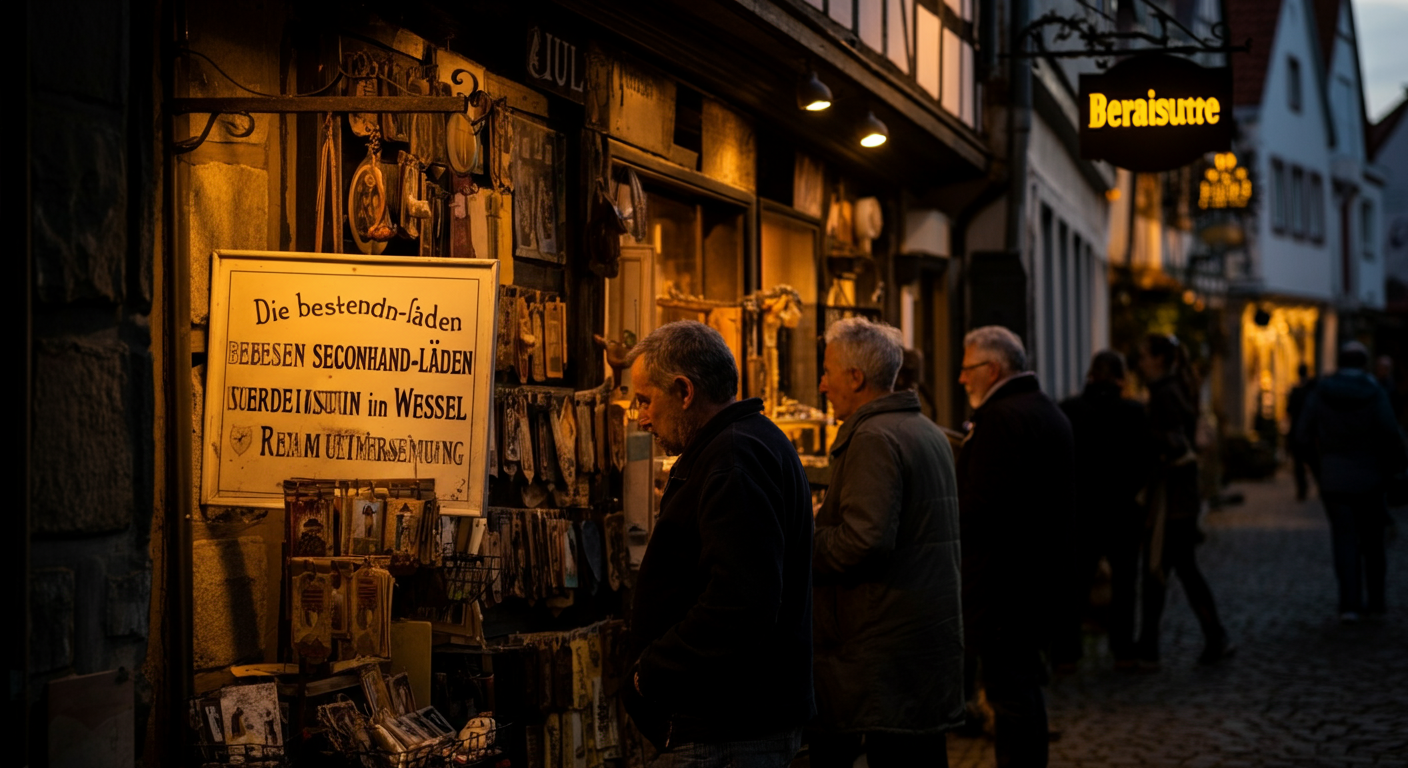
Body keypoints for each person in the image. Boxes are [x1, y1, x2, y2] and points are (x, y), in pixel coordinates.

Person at [623, 321, 815, 767]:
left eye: (646, 401)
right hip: (732, 724)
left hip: (725, 730)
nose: (642, 418)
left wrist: (649, 673)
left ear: (684, 391)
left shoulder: (733, 459)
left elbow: (739, 605)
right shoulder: (742, 445)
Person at [809, 318, 964, 768]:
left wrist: (804, 542)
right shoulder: (924, 429)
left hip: (883, 647)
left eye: (827, 371)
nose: (822, 384)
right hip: (917, 643)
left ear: (856, 378)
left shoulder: (873, 437)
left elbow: (863, 541)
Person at [955, 325, 1074, 768]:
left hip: (1005, 585)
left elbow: (982, 505)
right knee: (1019, 690)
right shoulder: (1042, 409)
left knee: (1010, 693)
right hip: (1033, 579)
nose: (961, 379)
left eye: (967, 369)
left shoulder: (1002, 419)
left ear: (993, 368)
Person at [1135, 334, 1233, 667]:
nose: (1140, 362)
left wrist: (1148, 440)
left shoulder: (1166, 392)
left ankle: (1160, 645)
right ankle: (1155, 644)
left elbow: (1175, 442)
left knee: (1166, 569)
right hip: (1176, 498)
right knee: (1167, 569)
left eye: (1144, 355)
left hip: (1172, 499)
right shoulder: (1173, 388)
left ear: (1159, 359)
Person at [1295, 341, 1408, 622]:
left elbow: (1302, 436)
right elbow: (1391, 433)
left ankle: (1349, 605)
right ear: (1364, 363)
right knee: (1373, 541)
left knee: (1344, 540)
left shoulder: (1322, 391)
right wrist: (1393, 469)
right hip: (1371, 478)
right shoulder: (1375, 391)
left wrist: (1319, 468)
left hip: (1334, 479)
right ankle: (1376, 601)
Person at [1056, 350, 1152, 671]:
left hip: (1082, 510)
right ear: (1121, 379)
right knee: (1125, 584)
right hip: (1122, 510)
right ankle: (1123, 650)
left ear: (1091, 375)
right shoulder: (1133, 412)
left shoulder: (1070, 410)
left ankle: (1066, 653)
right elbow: (1144, 462)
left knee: (1075, 582)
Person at [1286, 364, 1319, 502]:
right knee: (1312, 462)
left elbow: (1289, 410)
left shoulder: (1298, 390)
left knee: (1301, 463)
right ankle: (1313, 487)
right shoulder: (1310, 389)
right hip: (1308, 432)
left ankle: (1302, 490)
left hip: (1299, 431)